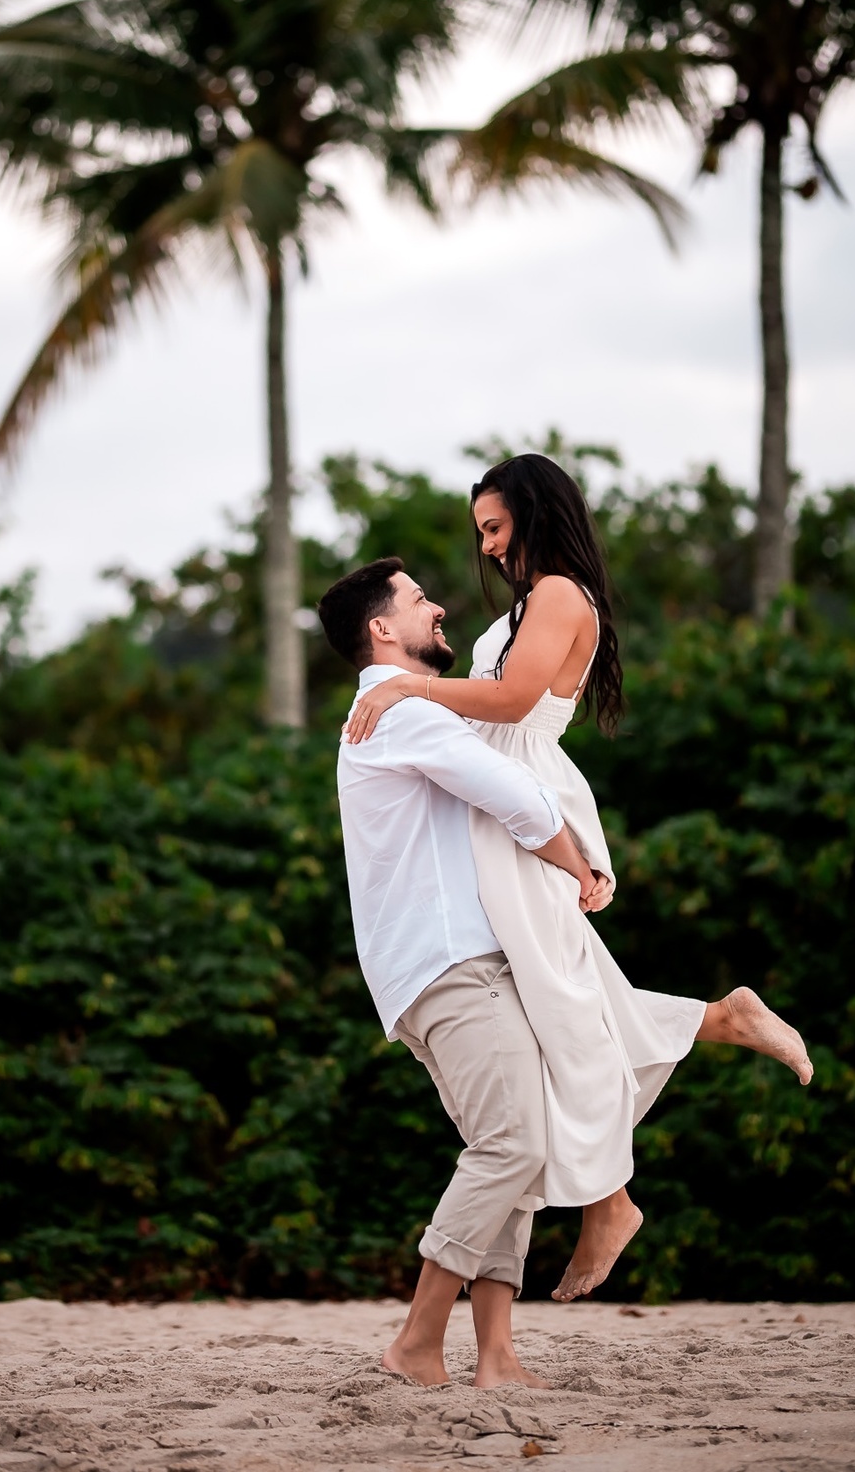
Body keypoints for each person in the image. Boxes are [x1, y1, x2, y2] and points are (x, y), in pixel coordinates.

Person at [341, 454, 813, 1322]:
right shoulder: (535, 601)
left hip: (524, 806)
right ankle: (717, 1023)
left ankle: (610, 1197)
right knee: (577, 997)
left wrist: (414, 684)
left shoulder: (558, 595)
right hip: (510, 812)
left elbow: (515, 699)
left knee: (565, 1007)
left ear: (530, 511)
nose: (484, 547)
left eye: (492, 525)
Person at [318, 556, 603, 1389]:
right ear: (382, 629)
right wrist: (580, 864)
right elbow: (515, 797)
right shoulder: (400, 712)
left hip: (439, 967)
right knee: (514, 1141)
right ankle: (417, 1339)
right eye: (418, 600)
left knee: (510, 1142)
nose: (437, 608)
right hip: (449, 967)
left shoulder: (394, 713)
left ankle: (497, 1354)